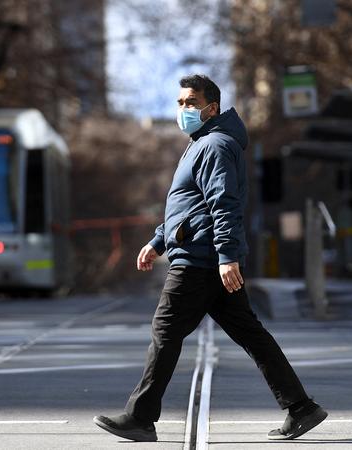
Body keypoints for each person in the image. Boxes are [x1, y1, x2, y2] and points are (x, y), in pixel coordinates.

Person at [93, 75, 327, 442]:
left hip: (200, 260)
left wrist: (227, 256)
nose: (182, 109)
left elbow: (224, 204)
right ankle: (301, 408)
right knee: (252, 335)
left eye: (190, 102)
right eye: (180, 102)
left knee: (165, 332)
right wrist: (158, 241)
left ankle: (140, 417)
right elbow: (188, 204)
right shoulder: (202, 143)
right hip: (203, 255)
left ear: (211, 108)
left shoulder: (214, 145)